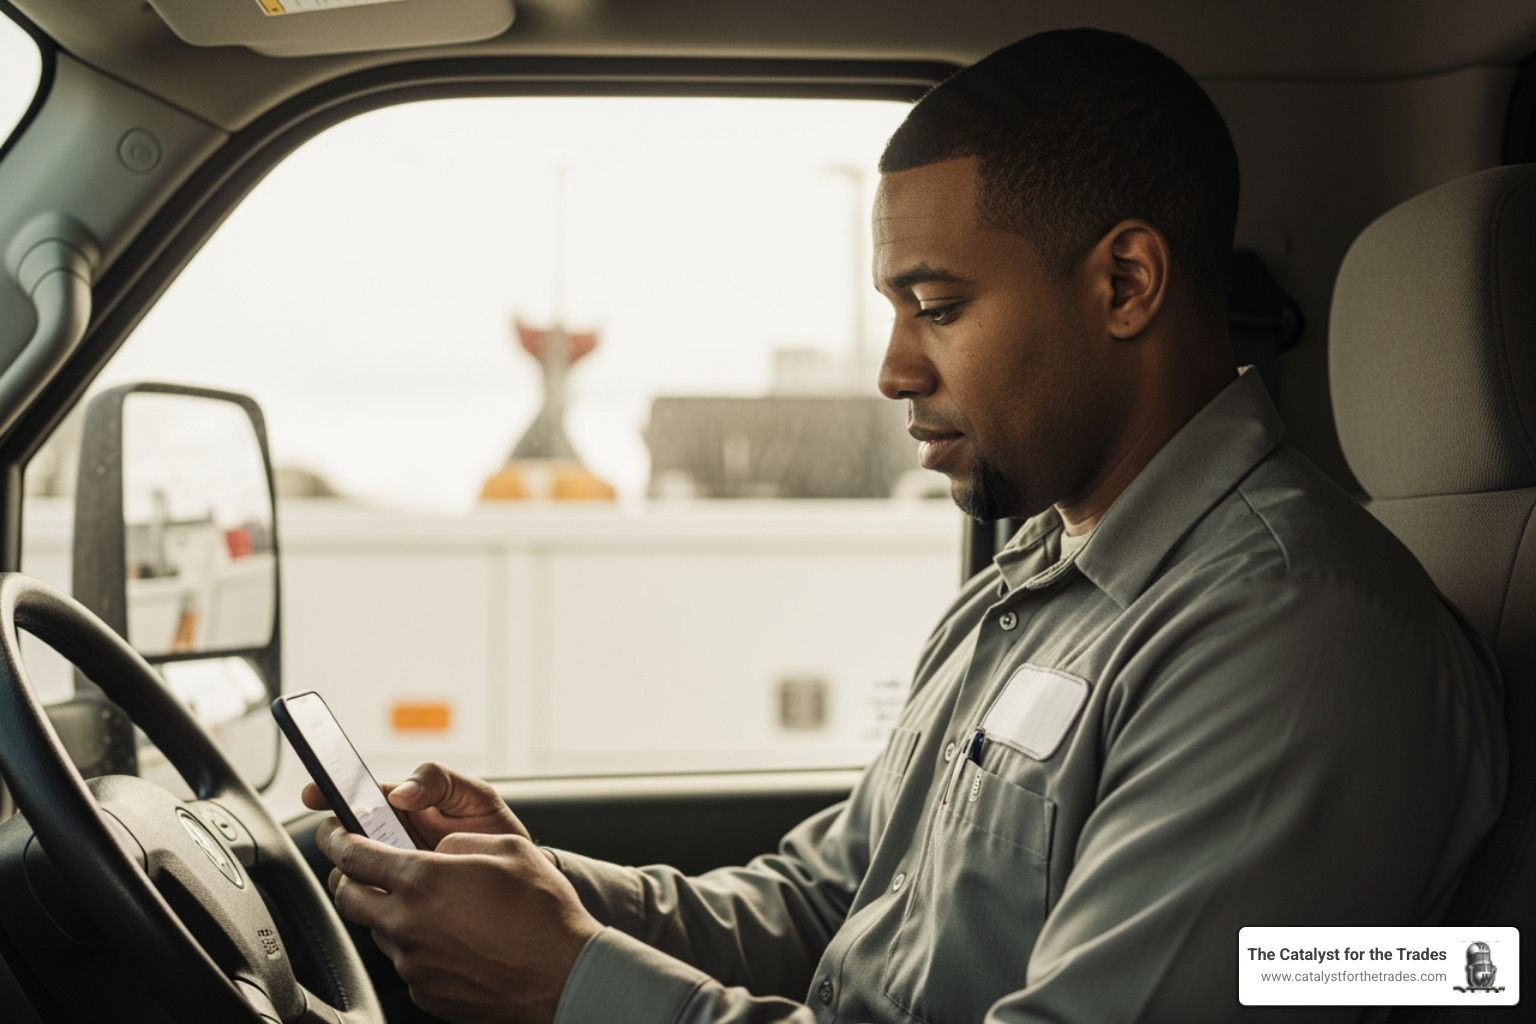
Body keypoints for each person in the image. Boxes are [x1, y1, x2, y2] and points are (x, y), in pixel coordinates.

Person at [309, 28, 1507, 1024]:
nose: (892, 369)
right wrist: (539, 892)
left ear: (1127, 285)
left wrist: (573, 983)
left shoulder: (1292, 638)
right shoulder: (1040, 581)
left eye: (938, 306)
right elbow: (830, 905)